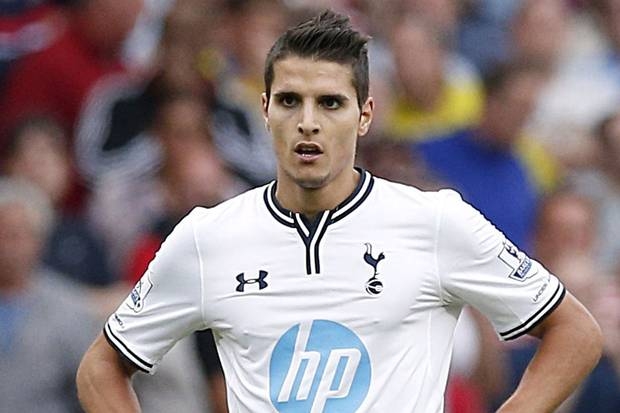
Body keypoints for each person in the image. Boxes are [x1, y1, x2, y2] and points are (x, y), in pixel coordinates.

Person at [76, 10, 602, 413]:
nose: (308, 121)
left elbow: (575, 332)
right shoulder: (207, 237)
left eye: (330, 102)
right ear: (265, 110)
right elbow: (101, 366)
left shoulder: (436, 221)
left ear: (365, 115)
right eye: (289, 101)